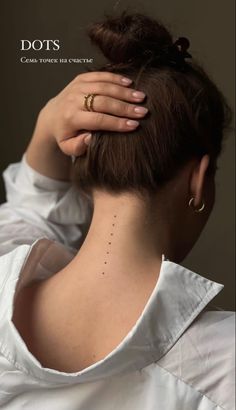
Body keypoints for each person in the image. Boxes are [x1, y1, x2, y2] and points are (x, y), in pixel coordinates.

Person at [0, 11, 234, 410]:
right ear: (199, 178)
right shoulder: (224, 366)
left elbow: (29, 211)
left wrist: (47, 126)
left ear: (85, 159)